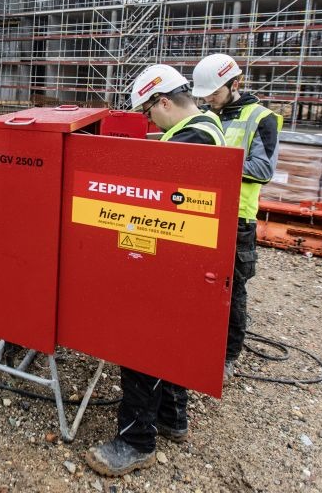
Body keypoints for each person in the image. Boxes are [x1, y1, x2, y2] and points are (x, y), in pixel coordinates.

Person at [84, 64, 225, 478]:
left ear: (164, 101)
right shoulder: (207, 123)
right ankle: (172, 417)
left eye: (149, 112)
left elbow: (155, 199)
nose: (148, 121)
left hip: (172, 253)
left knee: (141, 342)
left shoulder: (191, 137)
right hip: (188, 251)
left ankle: (136, 442)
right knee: (169, 338)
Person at [191, 53, 282, 379]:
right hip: (201, 210)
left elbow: (262, 168)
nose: (208, 99)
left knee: (233, 289)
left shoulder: (261, 118)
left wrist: (216, 166)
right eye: (204, 95)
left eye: (214, 93)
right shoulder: (205, 114)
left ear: (235, 84)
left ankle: (228, 356)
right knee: (199, 284)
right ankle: (199, 342)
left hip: (237, 218)